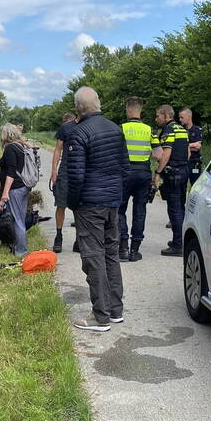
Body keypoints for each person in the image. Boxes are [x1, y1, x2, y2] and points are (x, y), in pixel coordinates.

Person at [67, 86, 128, 332]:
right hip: (113, 202)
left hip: (90, 204)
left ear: (78, 108)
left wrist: (73, 203)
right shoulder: (115, 129)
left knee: (93, 257)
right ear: (98, 103)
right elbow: (125, 167)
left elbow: (76, 176)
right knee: (111, 254)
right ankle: (115, 310)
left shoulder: (79, 133)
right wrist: (116, 194)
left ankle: (100, 315)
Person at [119, 97, 153, 263]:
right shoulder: (149, 130)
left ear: (128, 109)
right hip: (143, 173)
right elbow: (159, 154)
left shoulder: (121, 129)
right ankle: (135, 250)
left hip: (124, 173)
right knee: (140, 211)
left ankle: (123, 247)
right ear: (140, 110)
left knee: (120, 209)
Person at [154, 104, 189, 256]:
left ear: (166, 116)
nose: (156, 119)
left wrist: (158, 172)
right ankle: (179, 240)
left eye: (158, 116)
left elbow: (166, 153)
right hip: (184, 171)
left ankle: (177, 246)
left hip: (173, 173)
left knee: (174, 209)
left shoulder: (168, 130)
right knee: (180, 207)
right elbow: (188, 152)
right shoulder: (182, 129)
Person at [0, 123, 30, 258]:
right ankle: (19, 247)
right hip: (22, 186)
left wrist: (5, 192)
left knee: (17, 221)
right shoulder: (19, 146)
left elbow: (11, 172)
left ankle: (21, 251)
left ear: (5, 134)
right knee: (20, 218)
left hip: (15, 188)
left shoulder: (10, 148)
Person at [50, 112, 78, 253]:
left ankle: (79, 238)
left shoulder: (89, 125)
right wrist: (54, 170)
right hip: (65, 171)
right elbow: (58, 149)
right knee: (61, 204)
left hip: (82, 172)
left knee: (80, 207)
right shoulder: (66, 127)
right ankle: (59, 236)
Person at [179, 107, 204, 196]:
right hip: (182, 163)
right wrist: (192, 145)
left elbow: (198, 147)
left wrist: (184, 146)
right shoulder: (179, 131)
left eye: (182, 117)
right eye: (179, 117)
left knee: (195, 187)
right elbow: (177, 147)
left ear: (189, 116)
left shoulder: (197, 130)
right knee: (182, 187)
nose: (180, 119)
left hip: (194, 163)